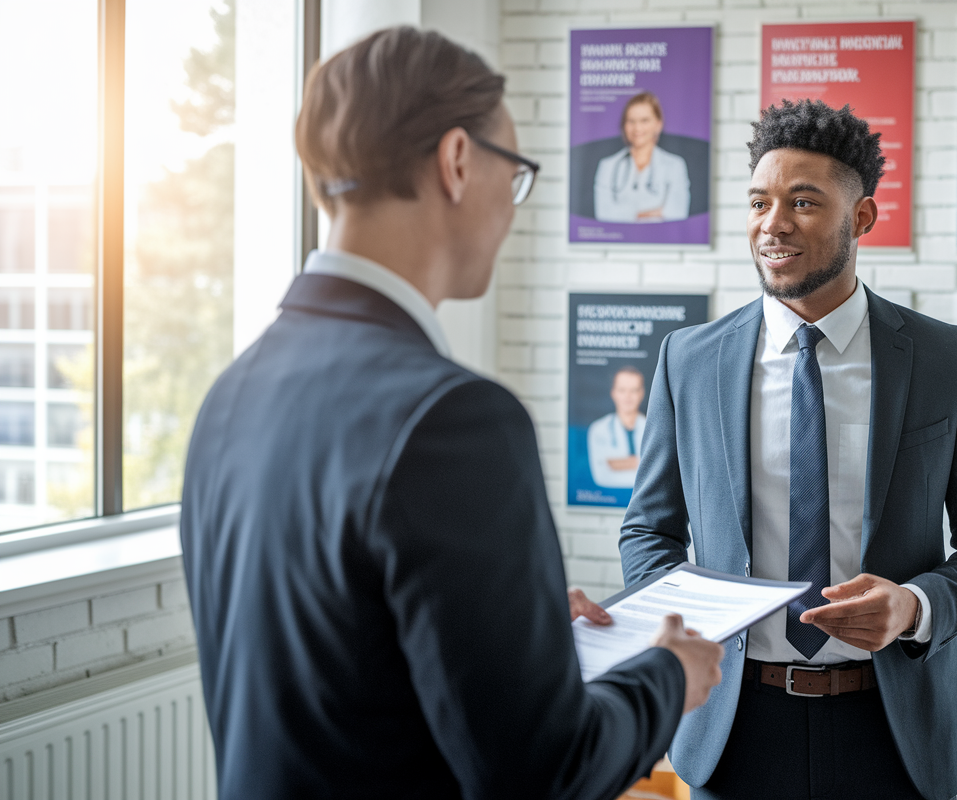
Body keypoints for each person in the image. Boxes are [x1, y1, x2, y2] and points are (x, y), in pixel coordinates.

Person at [180, 27, 722, 800]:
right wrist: (669, 675)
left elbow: (341, 664)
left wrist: (514, 624)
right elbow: (545, 772)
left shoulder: (232, 391)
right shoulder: (456, 419)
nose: (513, 206)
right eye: (519, 174)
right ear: (458, 161)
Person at [619, 99, 957, 800]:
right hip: (732, 726)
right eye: (758, 202)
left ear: (862, 218)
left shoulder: (943, 358)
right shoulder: (688, 359)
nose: (771, 224)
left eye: (802, 202)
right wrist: (692, 620)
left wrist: (915, 607)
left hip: (897, 730)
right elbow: (648, 530)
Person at [594, 91, 690, 223]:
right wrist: (656, 213)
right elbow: (604, 214)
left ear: (658, 124)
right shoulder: (608, 165)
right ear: (624, 126)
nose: (637, 128)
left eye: (644, 120)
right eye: (631, 121)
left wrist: (624, 215)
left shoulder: (675, 165)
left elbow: (676, 214)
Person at [587, 365, 647, 488]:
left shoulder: (653, 428)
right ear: (613, 393)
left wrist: (616, 464)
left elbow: (658, 473)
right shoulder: (599, 429)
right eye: (622, 390)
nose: (628, 396)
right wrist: (642, 462)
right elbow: (602, 477)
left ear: (642, 393)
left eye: (634, 390)